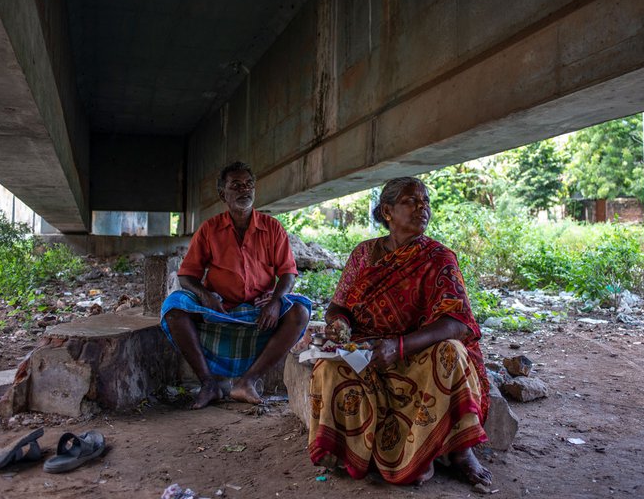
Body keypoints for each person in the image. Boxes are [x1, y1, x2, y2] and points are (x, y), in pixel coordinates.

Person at [307, 177, 492, 487]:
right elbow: (337, 308)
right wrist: (341, 325)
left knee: (452, 352)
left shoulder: (438, 257)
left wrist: (401, 346)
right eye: (411, 201)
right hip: (367, 355)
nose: (422, 208)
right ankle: (353, 452)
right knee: (326, 367)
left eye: (426, 202)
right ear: (387, 211)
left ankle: (461, 451)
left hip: (415, 357)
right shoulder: (364, 254)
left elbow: (458, 323)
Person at [161, 162, 310, 408]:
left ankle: (247, 382)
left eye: (249, 184)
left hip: (259, 311)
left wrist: (274, 302)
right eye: (236, 185)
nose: (245, 190)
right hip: (218, 310)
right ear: (223, 194)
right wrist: (206, 295)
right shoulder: (209, 229)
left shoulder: (272, 228)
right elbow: (186, 275)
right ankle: (208, 384)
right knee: (174, 309)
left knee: (300, 312)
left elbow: (288, 273)